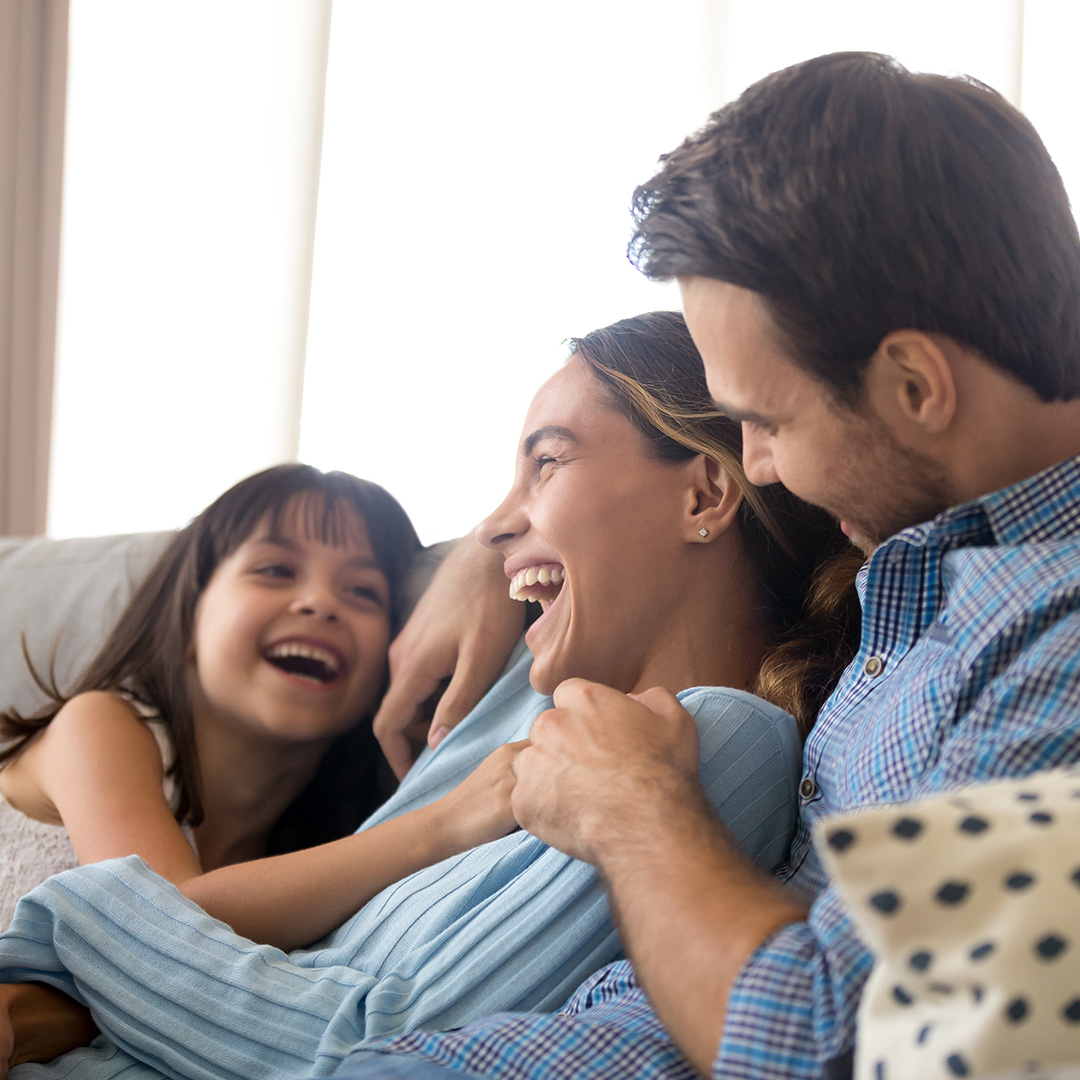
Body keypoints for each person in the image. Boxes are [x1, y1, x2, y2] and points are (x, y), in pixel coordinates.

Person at [329, 51, 1080, 1080]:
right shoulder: (917, 543)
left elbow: (865, 1052)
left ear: (915, 384)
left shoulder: (1055, 645)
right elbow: (652, 460)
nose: (759, 466)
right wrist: (493, 550)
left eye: (766, 423)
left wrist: (633, 808)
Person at [0, 312, 860, 1078]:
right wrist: (481, 571)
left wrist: (82, 922)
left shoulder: (704, 743)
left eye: (545, 461)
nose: (492, 526)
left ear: (705, 493)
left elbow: (381, 1047)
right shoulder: (540, 695)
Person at [0, 463, 421, 931]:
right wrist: (448, 822)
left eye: (363, 591)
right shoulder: (99, 724)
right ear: (186, 619)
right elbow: (162, 922)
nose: (320, 603)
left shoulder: (303, 866)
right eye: (276, 570)